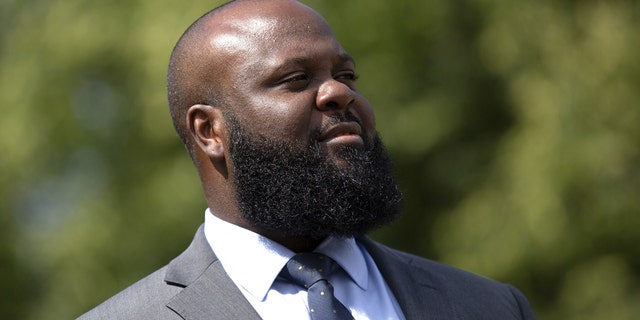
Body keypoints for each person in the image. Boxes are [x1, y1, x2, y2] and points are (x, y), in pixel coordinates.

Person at [78, 0, 537, 319]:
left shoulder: (489, 307)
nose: (340, 92)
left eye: (347, 75)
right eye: (295, 79)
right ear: (210, 131)